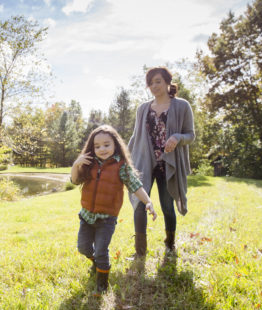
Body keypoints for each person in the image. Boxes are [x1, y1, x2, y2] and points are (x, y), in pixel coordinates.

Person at [71, 125, 158, 295]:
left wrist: (148, 201)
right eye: (97, 146)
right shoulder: (89, 163)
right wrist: (76, 164)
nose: (102, 149)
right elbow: (74, 181)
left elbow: (135, 186)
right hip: (86, 217)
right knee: (83, 248)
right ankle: (96, 262)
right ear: (92, 147)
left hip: (107, 219)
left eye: (106, 144)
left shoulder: (121, 166)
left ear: (115, 145)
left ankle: (102, 284)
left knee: (102, 250)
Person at [128, 66, 195, 257]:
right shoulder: (143, 109)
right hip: (145, 164)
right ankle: (140, 252)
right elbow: (135, 136)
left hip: (169, 164)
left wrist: (177, 138)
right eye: (150, 83)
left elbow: (191, 135)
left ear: (167, 82)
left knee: (167, 206)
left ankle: (170, 244)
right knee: (140, 205)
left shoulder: (182, 106)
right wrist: (124, 156)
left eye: (158, 81)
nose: (154, 86)